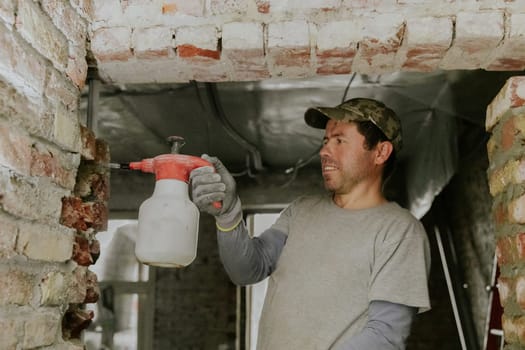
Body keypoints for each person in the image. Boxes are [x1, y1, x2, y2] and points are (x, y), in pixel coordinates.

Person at [190, 97, 431, 350]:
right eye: (326, 141)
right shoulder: (302, 210)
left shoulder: (399, 231)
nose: (324, 151)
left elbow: (385, 337)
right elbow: (247, 270)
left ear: (380, 152)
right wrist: (228, 213)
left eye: (339, 140)